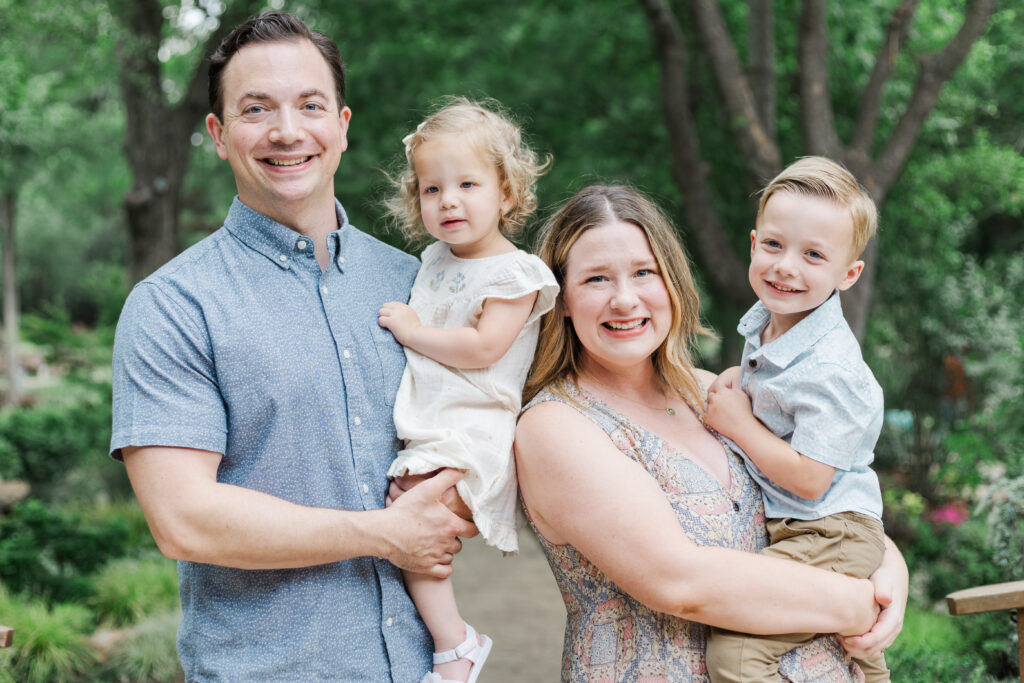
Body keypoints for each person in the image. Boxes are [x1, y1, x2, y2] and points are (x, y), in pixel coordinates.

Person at [109, 12, 475, 681]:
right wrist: (384, 533)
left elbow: (476, 419)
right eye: (256, 109)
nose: (286, 130)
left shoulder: (418, 284)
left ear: (341, 124)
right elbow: (184, 519)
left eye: (309, 105)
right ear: (218, 135)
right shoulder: (173, 307)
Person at [514, 184, 907, 681]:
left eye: (644, 272)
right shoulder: (557, 425)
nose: (624, 298)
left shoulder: (716, 393)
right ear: (562, 298)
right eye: (595, 279)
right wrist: (858, 603)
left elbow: (824, 497)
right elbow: (680, 581)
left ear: (672, 282)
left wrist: (892, 571)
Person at [377, 98, 558, 683]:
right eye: (432, 189)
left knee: (407, 517)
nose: (448, 200)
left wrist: (414, 330)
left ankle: (455, 644)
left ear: (505, 194)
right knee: (403, 524)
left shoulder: (514, 274)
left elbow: (484, 349)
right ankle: (450, 641)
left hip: (475, 427)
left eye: (467, 184)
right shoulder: (432, 259)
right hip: (435, 423)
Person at [703, 157, 888, 682]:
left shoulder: (832, 369)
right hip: (805, 529)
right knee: (857, 647)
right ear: (754, 242)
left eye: (813, 255)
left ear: (847, 274)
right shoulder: (769, 321)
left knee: (734, 656)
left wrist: (739, 424)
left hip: (830, 531)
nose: (786, 266)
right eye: (774, 246)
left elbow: (811, 479)